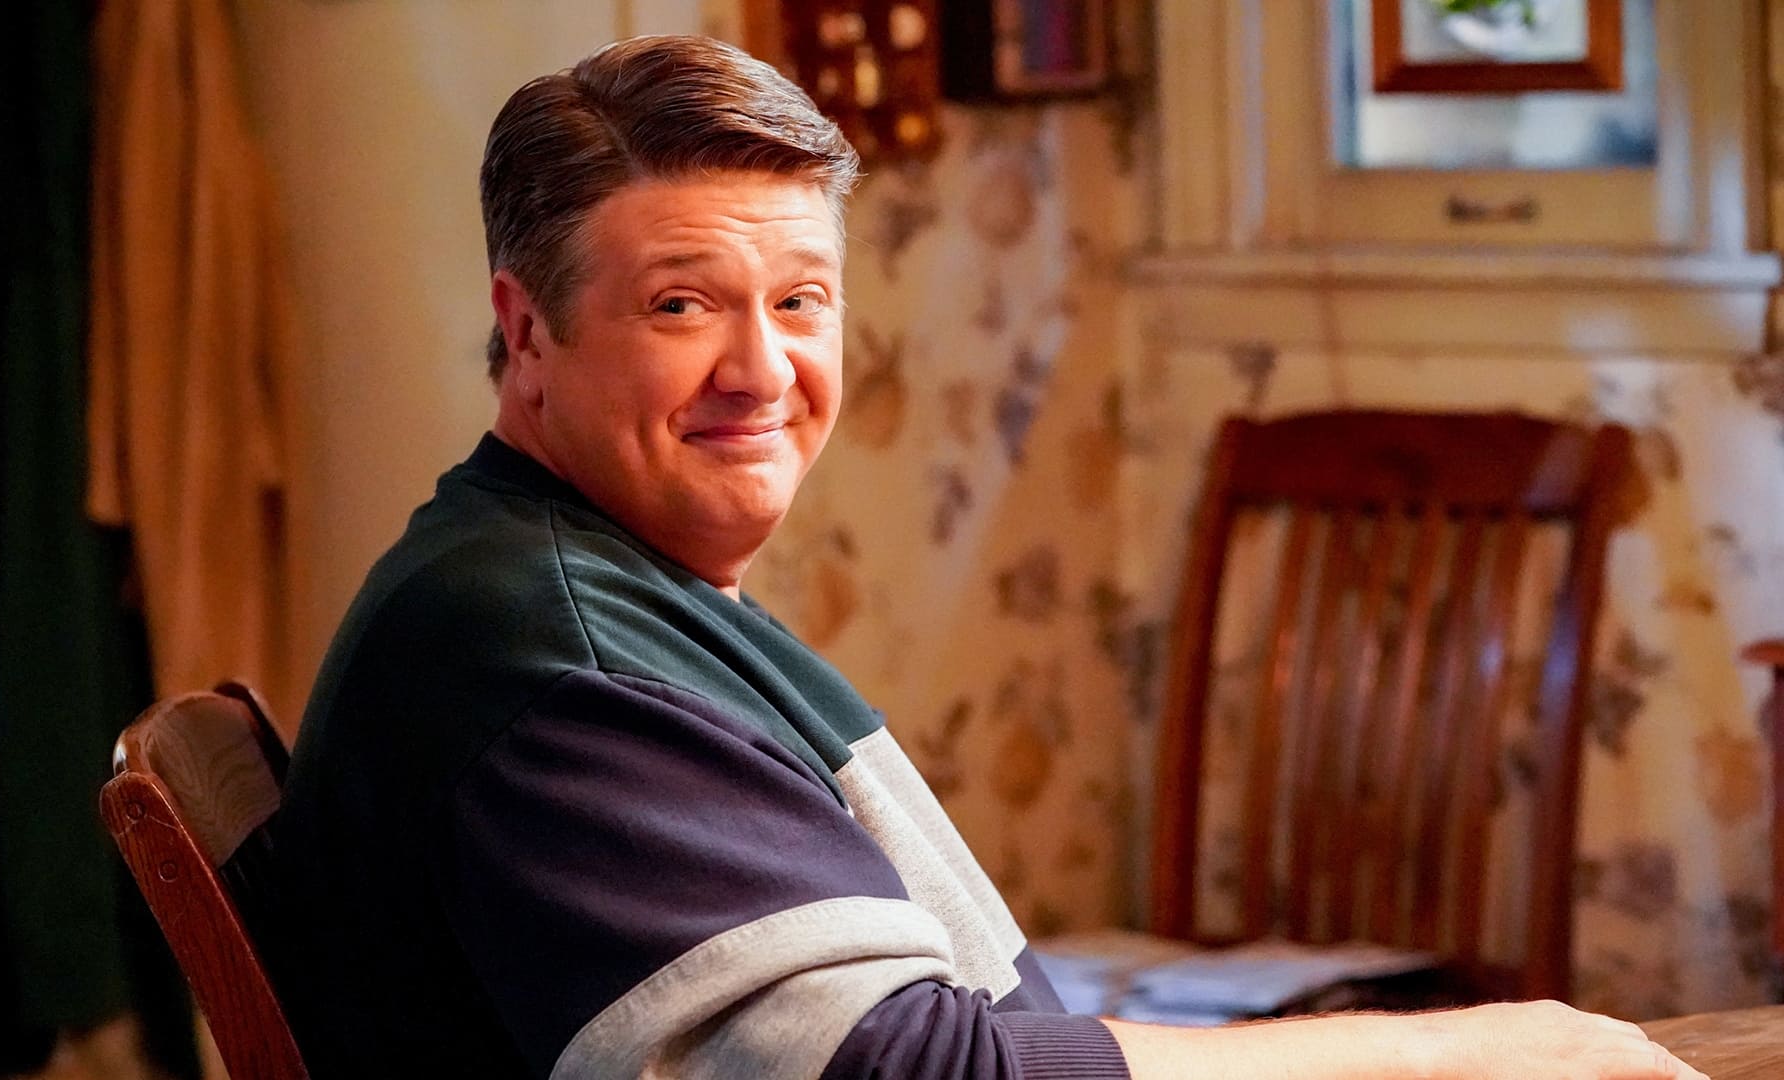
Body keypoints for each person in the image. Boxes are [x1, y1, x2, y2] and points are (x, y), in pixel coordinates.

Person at [270, 34, 1708, 1080]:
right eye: (681, 305)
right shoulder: (549, 658)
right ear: (527, 331)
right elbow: (901, 1072)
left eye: (801, 299)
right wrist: (1447, 1051)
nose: (761, 369)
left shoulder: (559, 584)